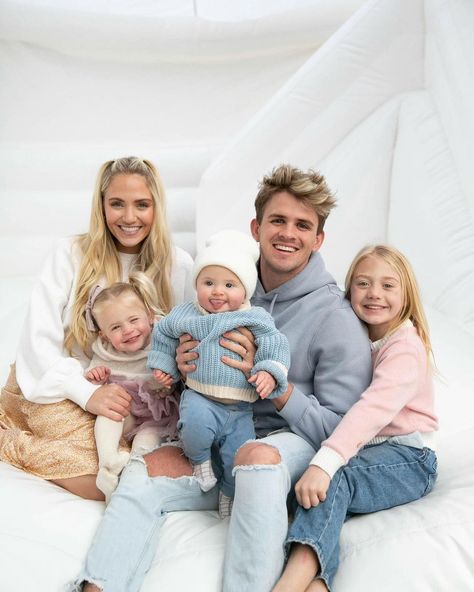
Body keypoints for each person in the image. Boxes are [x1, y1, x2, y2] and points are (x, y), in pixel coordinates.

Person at [72, 164, 372, 592]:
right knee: (140, 475)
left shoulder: (336, 318)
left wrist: (281, 389)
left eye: (302, 225)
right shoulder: (223, 287)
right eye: (278, 220)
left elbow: (344, 432)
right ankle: (97, 587)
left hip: (288, 447)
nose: (288, 233)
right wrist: (180, 366)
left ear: (318, 239)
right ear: (256, 227)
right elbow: (175, 363)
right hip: (216, 438)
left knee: (256, 459)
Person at [0, 156, 193, 501]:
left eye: (142, 205)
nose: (129, 217)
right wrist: (89, 394)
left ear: (156, 208)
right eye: (117, 204)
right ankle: (9, 435)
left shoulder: (177, 265)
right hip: (67, 388)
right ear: (101, 206)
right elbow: (38, 343)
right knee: (98, 479)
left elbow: (191, 341)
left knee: (148, 462)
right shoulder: (70, 254)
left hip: (139, 399)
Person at [273, 245, 438, 592]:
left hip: (409, 458)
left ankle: (290, 583)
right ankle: (318, 584)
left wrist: (325, 461)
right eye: (363, 283)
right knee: (313, 496)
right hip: (367, 453)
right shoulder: (354, 335)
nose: (374, 294)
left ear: (406, 293)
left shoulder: (405, 347)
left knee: (335, 478)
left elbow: (371, 409)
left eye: (388, 286)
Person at [149, 229, 290, 517]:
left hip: (239, 409)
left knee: (236, 457)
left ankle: (227, 491)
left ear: (245, 291)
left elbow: (276, 345)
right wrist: (164, 366)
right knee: (194, 429)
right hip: (200, 396)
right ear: (196, 284)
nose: (217, 292)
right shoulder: (187, 313)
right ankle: (200, 463)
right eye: (208, 282)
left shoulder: (254, 318)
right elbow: (163, 333)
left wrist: (269, 372)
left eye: (229, 284)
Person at [84, 275, 180, 503]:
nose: (128, 330)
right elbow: (94, 375)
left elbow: (179, 371)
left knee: (147, 441)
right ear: (104, 335)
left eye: (134, 320)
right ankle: (107, 463)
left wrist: (169, 380)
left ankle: (132, 479)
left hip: (157, 413)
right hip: (126, 407)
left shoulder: (163, 338)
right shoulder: (105, 351)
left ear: (149, 315)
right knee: (109, 413)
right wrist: (96, 377)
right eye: (116, 327)